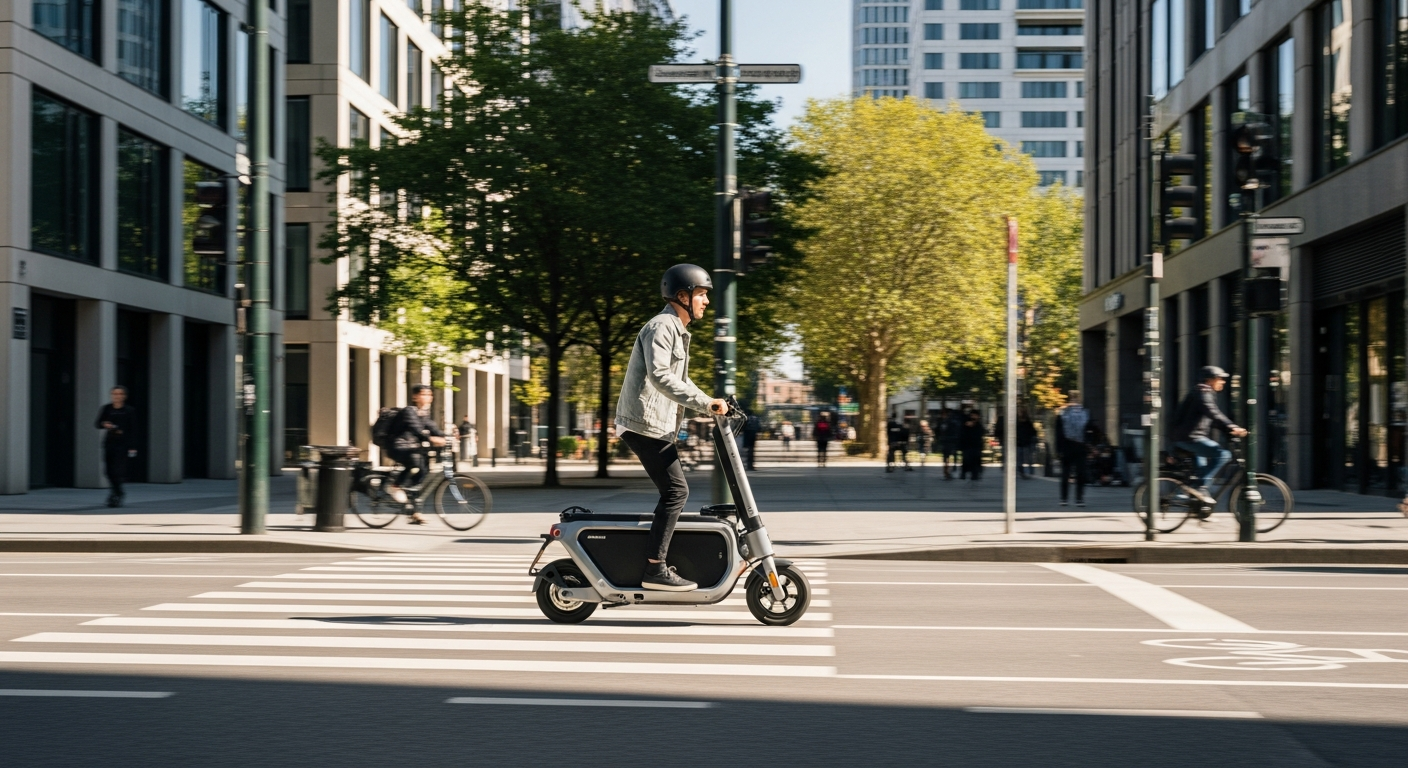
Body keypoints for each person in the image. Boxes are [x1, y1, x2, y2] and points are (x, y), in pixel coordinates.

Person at [615, 264, 729, 592]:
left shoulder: (676, 330)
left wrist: (708, 402)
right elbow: (661, 377)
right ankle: (655, 568)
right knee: (676, 491)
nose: (706, 301)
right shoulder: (662, 327)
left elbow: (679, 380)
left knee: (674, 491)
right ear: (683, 296)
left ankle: (656, 562)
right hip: (643, 424)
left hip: (654, 424)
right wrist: (706, 404)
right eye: (702, 295)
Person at [1171, 365, 1247, 506]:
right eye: (1220, 379)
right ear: (1210, 380)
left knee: (1202, 472)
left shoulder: (1200, 392)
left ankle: (1197, 506)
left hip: (1187, 437)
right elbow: (1213, 413)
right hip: (1191, 438)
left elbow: (1211, 419)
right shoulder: (1203, 392)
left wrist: (1227, 431)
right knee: (1223, 455)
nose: (1223, 382)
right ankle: (1198, 488)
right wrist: (1232, 427)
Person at [386, 384, 446, 524]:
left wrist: (447, 437)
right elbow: (416, 429)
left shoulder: (423, 413)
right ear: (415, 397)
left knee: (422, 472)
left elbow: (433, 428)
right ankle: (395, 485)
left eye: (430, 394)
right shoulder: (409, 411)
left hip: (412, 447)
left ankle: (414, 511)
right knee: (415, 462)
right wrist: (431, 438)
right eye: (424, 394)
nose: (428, 397)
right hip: (397, 445)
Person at [95, 386, 138, 508]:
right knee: (107, 471)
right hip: (109, 443)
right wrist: (105, 424)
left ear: (124, 396)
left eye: (120, 394)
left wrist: (133, 446)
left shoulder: (129, 410)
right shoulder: (107, 409)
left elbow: (134, 429)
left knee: (117, 471)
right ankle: (118, 491)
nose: (117, 396)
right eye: (114, 394)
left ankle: (115, 494)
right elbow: (97, 423)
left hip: (123, 444)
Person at [1055, 390, 1096, 507]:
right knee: (1080, 473)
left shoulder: (1063, 413)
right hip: (1080, 447)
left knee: (1065, 474)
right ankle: (1079, 498)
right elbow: (1090, 429)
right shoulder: (1085, 413)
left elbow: (1058, 433)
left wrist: (1058, 449)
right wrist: (1089, 443)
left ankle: (1064, 498)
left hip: (1066, 446)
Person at [960, 409, 986, 480]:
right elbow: (962, 433)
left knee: (976, 460)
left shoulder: (979, 425)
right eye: (972, 415)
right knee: (966, 459)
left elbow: (981, 433)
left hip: (976, 446)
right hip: (967, 445)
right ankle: (964, 472)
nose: (973, 417)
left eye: (975, 415)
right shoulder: (966, 424)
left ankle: (975, 474)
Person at [940, 408, 962, 480]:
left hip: (947, 441)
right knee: (951, 455)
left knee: (946, 457)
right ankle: (949, 470)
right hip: (951, 441)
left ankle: (947, 471)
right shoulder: (951, 421)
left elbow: (942, 431)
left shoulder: (945, 422)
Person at [1017, 407, 1038, 478]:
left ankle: (1024, 472)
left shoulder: (1021, 423)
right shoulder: (1027, 423)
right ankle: (1027, 472)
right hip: (1024, 443)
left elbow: (1033, 432)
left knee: (1022, 458)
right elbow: (1034, 432)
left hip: (1023, 443)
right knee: (1027, 458)